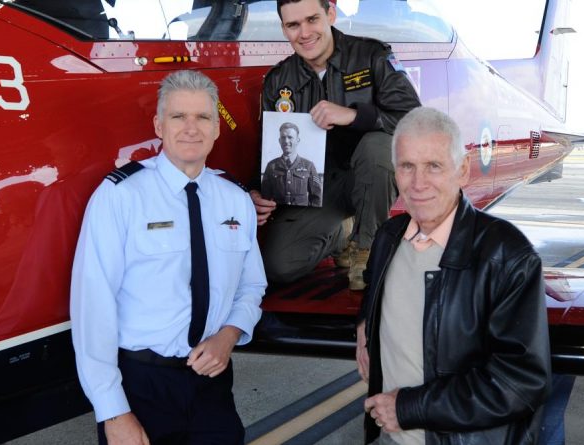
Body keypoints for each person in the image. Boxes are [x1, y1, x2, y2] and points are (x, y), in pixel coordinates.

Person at [70, 70, 266, 445]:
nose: (191, 128)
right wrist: (113, 411)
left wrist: (228, 336)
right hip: (142, 386)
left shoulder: (235, 198)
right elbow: (92, 306)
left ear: (216, 129)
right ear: (159, 126)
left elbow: (252, 285)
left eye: (203, 117)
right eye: (178, 117)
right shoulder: (121, 196)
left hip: (212, 383)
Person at [356, 107, 551, 444]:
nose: (418, 183)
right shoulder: (388, 237)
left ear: (462, 170)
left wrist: (408, 408)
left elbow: (519, 383)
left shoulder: (506, 255)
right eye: (407, 167)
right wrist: (365, 325)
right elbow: (378, 290)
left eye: (434, 166)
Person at [250, 0, 421, 289]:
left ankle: (368, 248)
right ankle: (343, 232)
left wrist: (354, 116)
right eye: (293, 25)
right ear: (283, 28)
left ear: (330, 13)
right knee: (279, 266)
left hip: (368, 178)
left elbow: (416, 121)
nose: (304, 33)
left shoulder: (372, 56)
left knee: (378, 147)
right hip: (317, 188)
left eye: (312, 19)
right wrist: (257, 190)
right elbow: (271, 148)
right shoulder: (278, 81)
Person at [261, 122, 323, 206]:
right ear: (279, 141)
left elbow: (316, 198)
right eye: (283, 137)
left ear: (297, 140)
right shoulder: (271, 166)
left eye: (290, 137)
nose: (286, 141)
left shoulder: (308, 166)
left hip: (301, 216)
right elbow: (265, 197)